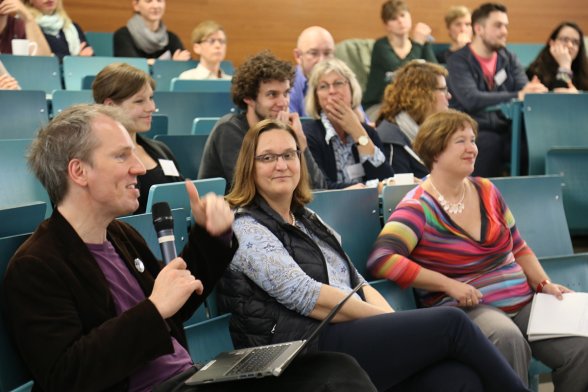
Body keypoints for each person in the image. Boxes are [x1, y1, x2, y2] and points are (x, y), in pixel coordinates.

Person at [1, 104, 378, 392]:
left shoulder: (120, 236)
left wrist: (211, 238)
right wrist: (153, 309)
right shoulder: (37, 265)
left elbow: (175, 306)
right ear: (78, 172)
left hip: (191, 378)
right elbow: (64, 377)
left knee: (335, 369)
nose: (138, 167)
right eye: (121, 156)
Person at [218, 118, 531, 392]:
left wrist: (394, 327)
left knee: (457, 379)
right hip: (302, 350)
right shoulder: (246, 228)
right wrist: (390, 323)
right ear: (250, 166)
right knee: (451, 322)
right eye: (268, 157)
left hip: (344, 335)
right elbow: (305, 296)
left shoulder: (307, 219)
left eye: (289, 154)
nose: (281, 164)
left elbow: (356, 280)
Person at [367, 109, 588, 390]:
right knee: (507, 337)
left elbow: (519, 246)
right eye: (461, 141)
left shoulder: (487, 189)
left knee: (582, 346)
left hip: (523, 301)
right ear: (435, 150)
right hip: (472, 308)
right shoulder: (419, 205)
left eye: (473, 140)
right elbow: (382, 259)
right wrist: (448, 285)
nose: (472, 148)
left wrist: (543, 283)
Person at [198, 50, 327, 192]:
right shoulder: (228, 130)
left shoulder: (290, 129)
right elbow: (259, 191)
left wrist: (300, 144)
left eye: (286, 93)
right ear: (248, 98)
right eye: (272, 94)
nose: (283, 102)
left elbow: (319, 189)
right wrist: (281, 137)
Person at [446, 2, 547, 177]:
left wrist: (532, 91)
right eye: (498, 25)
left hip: (507, 128)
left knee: (532, 143)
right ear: (479, 29)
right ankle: (480, 201)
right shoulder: (458, 61)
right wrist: (517, 95)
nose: (504, 31)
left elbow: (526, 92)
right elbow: (471, 98)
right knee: (487, 143)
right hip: (473, 130)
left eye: (506, 26)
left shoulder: (509, 58)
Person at [92, 62, 183, 214]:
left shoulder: (161, 149)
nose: (151, 107)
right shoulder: (99, 159)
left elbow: (182, 198)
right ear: (110, 105)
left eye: (151, 98)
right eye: (139, 101)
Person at [304, 58, 393, 189]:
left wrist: (358, 132)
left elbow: (386, 180)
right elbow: (320, 188)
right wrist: (368, 188)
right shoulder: (309, 134)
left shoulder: (367, 132)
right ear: (316, 97)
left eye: (338, 83)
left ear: (351, 89)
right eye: (323, 86)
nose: (332, 91)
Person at [363, 0, 437, 121]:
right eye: (393, 18)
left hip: (412, 104)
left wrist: (425, 44)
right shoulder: (381, 46)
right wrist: (418, 43)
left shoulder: (420, 44)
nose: (400, 21)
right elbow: (401, 72)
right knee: (405, 119)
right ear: (386, 25)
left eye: (403, 15)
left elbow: (436, 73)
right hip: (379, 105)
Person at [376, 60, 449, 178]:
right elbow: (396, 193)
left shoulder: (430, 132)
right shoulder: (391, 141)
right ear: (422, 94)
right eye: (442, 89)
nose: (449, 95)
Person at [114, 0, 190, 64]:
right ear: (136, 5)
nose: (156, 6)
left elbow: (185, 62)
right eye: (149, 1)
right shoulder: (123, 35)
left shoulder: (171, 38)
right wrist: (171, 64)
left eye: (159, 1)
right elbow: (132, 66)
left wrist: (151, 63)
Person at [526, 21, 588, 92]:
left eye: (575, 42)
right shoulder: (535, 71)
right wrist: (565, 67)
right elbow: (559, 99)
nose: (570, 45)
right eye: (565, 40)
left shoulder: (585, 72)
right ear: (552, 43)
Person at [289, 26, 335, 117]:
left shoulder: (343, 82)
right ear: (298, 56)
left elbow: (366, 125)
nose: (322, 61)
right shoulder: (287, 86)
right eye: (313, 53)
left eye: (327, 53)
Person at [23, 0, 93, 60]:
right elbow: (40, 57)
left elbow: (90, 55)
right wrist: (74, 59)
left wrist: (56, 56)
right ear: (30, 0)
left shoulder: (71, 26)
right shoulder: (26, 25)